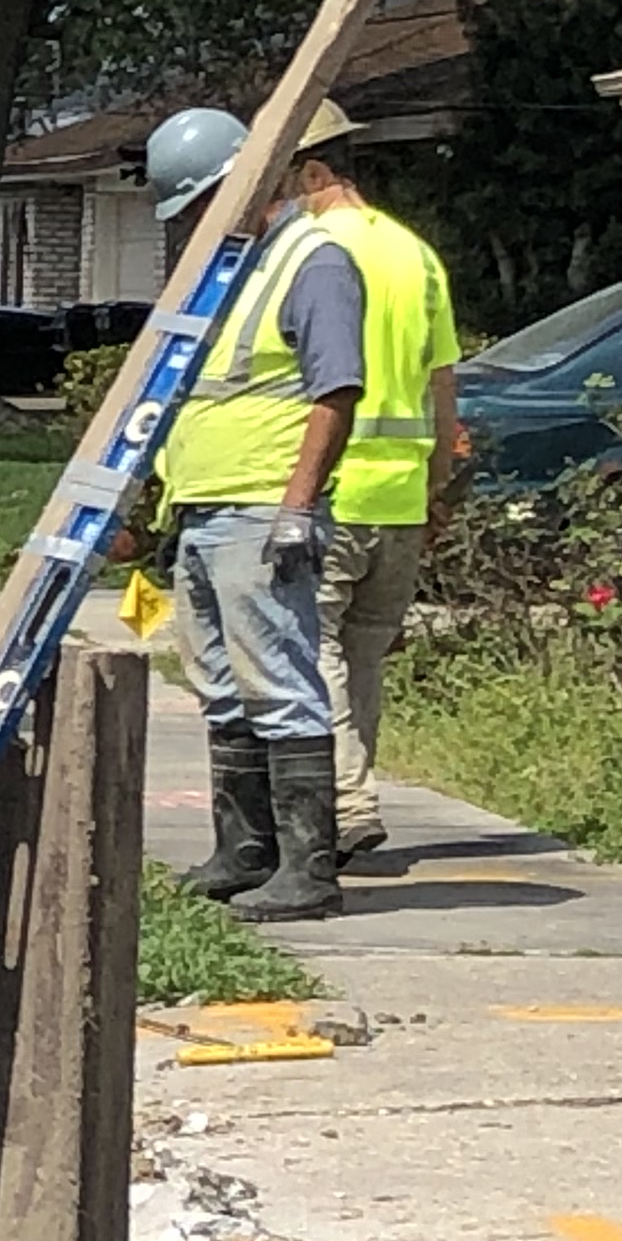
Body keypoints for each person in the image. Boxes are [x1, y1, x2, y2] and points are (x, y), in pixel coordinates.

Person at [150, 103, 367, 924]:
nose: (196, 222)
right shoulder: (238, 267)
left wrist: (297, 507)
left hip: (260, 508)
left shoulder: (313, 261)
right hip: (206, 510)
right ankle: (245, 851)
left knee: (280, 684)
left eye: (204, 202)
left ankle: (309, 869)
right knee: (221, 685)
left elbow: (335, 389)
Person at [285, 118, 462, 874]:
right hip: (400, 495)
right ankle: (353, 797)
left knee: (311, 652)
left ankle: (349, 806)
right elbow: (443, 383)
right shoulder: (416, 255)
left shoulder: (314, 254)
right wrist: (436, 486)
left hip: (335, 488)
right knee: (361, 660)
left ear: (310, 174)